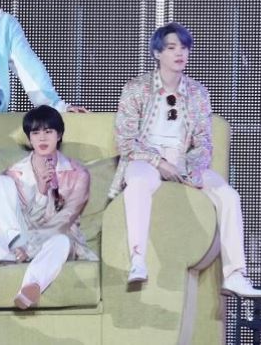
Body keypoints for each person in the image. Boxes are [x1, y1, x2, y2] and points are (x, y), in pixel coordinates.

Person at [110, 22, 261, 297]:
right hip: (146, 158)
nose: (180, 53)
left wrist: (192, 169)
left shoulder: (198, 92)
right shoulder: (136, 88)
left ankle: (235, 275)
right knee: (139, 184)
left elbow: (204, 141)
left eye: (184, 48)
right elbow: (126, 141)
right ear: (157, 53)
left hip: (183, 160)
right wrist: (159, 163)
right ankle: (137, 260)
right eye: (171, 48)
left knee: (229, 196)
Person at [0, 105, 97, 308]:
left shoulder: (78, 174)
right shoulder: (15, 173)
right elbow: (21, 219)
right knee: (1, 182)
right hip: (20, 239)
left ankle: (31, 286)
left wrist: (29, 249)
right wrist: (40, 191)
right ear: (29, 138)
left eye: (48, 131)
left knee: (62, 242)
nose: (42, 138)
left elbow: (65, 219)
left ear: (59, 135)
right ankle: (2, 246)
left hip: (56, 236)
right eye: (36, 133)